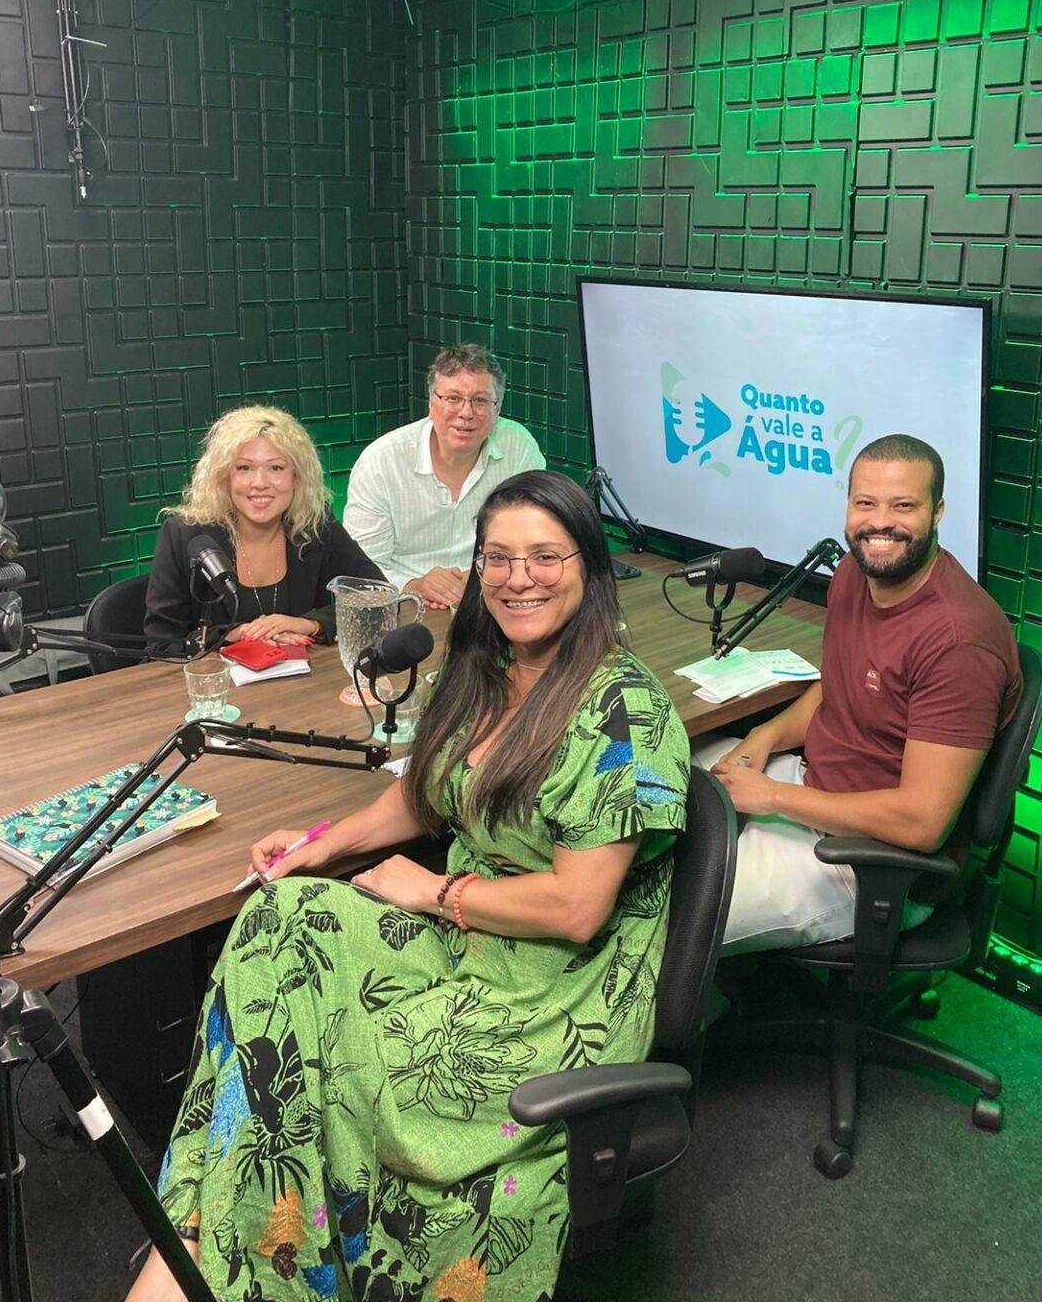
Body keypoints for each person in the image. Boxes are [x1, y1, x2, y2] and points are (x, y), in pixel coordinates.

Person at [127, 470, 689, 1302]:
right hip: (470, 930)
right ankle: (224, 1229)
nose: (518, 578)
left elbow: (577, 909)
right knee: (281, 915)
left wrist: (431, 893)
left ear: (590, 567)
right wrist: (321, 844)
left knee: (336, 1062)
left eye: (545, 556)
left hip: (552, 985)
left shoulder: (625, 711)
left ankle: (219, 1247)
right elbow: (424, 792)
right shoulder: (488, 667)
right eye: (497, 558)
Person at [695, 433, 1022, 954]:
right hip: (813, 788)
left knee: (668, 919)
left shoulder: (959, 642)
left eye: (903, 506)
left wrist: (772, 797)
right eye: (865, 503)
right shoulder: (852, 573)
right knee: (651, 778)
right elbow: (836, 690)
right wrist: (765, 736)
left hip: (868, 864)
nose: (880, 523)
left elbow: (921, 822)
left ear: (938, 512)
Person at [144, 404, 385, 656]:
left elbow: (379, 597)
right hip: (216, 678)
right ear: (225, 477)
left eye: (276, 468)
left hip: (303, 677)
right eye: (244, 468)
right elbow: (161, 645)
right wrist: (230, 636)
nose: (259, 483)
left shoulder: (316, 526)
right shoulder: (184, 535)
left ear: (296, 478)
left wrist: (309, 625)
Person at [343, 343, 545, 611]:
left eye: (480, 400)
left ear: (497, 409)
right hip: (403, 606)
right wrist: (414, 585)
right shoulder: (381, 462)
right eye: (453, 398)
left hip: (493, 596)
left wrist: (488, 574)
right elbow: (360, 572)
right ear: (431, 403)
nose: (466, 413)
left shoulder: (519, 447)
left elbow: (538, 536)